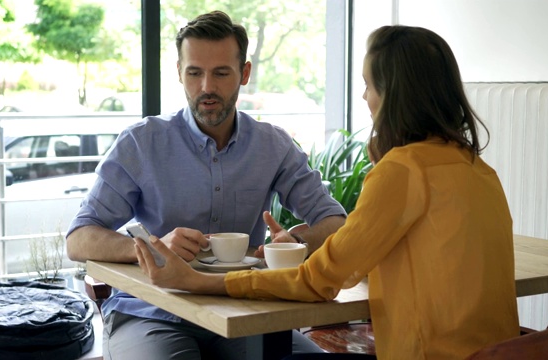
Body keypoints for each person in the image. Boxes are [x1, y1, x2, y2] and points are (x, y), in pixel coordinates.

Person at [134, 25, 521, 359]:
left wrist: (200, 281)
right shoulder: (478, 169)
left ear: (395, 95)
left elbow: (320, 280)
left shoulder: (402, 171)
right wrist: (304, 246)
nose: (366, 99)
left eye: (369, 86)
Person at [65, 10, 346, 360]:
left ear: (244, 74)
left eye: (221, 73)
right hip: (151, 312)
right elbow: (79, 238)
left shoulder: (272, 146)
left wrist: (297, 243)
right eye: (195, 73)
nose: (207, 88)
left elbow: (336, 223)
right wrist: (154, 247)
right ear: (179, 73)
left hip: (245, 310)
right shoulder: (142, 142)